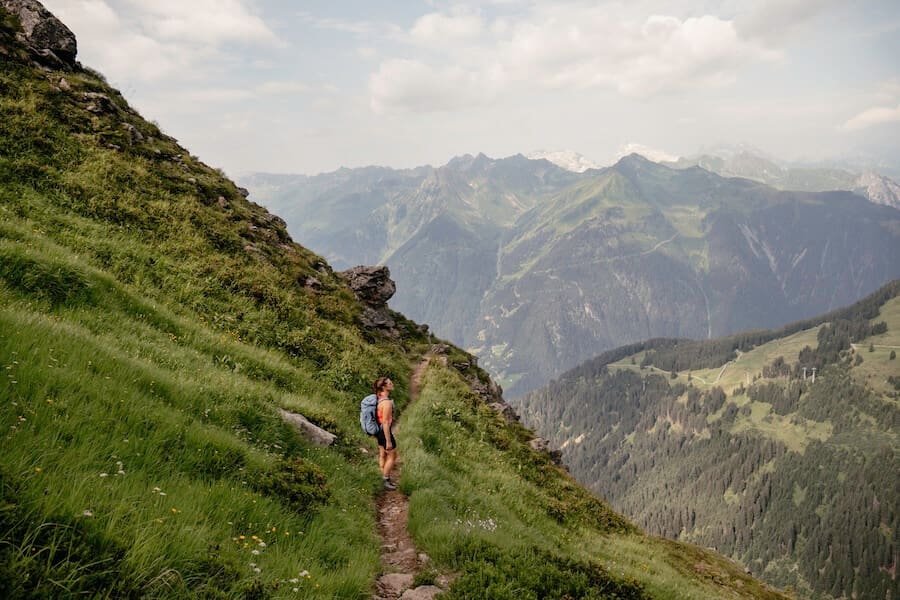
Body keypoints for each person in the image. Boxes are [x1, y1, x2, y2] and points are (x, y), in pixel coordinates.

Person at [373, 376, 397, 490]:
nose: (392, 384)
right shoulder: (387, 403)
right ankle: (385, 480)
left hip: (379, 431)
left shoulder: (379, 398)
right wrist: (388, 440)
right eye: (390, 383)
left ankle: (382, 476)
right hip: (384, 432)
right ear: (384, 387)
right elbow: (386, 423)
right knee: (392, 456)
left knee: (383, 455)